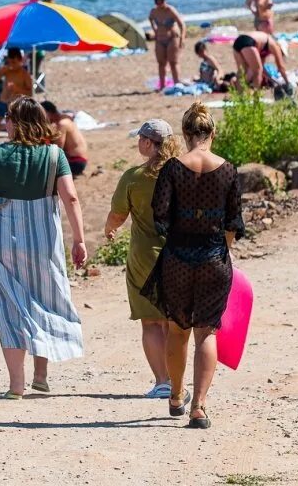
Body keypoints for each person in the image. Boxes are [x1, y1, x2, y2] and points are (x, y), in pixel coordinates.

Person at [0, 97, 87, 399]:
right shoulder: (54, 155)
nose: (6, 123)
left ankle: (15, 387)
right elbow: (71, 198)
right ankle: (41, 375)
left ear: (16, 122)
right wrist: (79, 239)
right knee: (46, 301)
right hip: (43, 241)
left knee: (10, 307)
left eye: (9, 118)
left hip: (4, 240)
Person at [141, 102, 244, 429]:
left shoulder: (173, 169)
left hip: (178, 259)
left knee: (177, 330)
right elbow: (233, 222)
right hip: (214, 258)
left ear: (185, 134)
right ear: (212, 133)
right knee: (207, 333)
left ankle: (175, 394)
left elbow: (160, 216)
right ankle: (198, 407)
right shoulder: (228, 169)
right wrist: (222, 251)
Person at [105, 119, 181, 398]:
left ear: (148, 143)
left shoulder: (134, 177)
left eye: (140, 139)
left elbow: (117, 215)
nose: (138, 143)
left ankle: (162, 381)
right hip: (179, 255)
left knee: (150, 322)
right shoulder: (182, 173)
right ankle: (178, 382)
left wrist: (109, 229)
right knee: (172, 322)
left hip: (144, 256)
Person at [0, 49, 34, 148]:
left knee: (15, 131)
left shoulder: (24, 74)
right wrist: (0, 72)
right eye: (9, 62)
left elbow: (30, 93)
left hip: (16, 105)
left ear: (20, 60)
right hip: (3, 102)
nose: (12, 65)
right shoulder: (6, 70)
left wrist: (16, 88)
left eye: (14, 62)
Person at [231, 31, 292, 95]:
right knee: (257, 71)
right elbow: (280, 66)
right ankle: (256, 97)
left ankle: (239, 96)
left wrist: (272, 80)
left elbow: (263, 68)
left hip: (238, 41)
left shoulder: (264, 47)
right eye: (281, 53)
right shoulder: (275, 45)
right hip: (248, 41)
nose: (280, 54)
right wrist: (288, 83)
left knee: (242, 71)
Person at [41, 101, 89, 177]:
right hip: (79, 160)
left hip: (76, 162)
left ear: (48, 113)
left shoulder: (62, 123)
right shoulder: (64, 120)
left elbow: (57, 148)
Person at [149, 0, 185, 90]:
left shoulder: (170, 10)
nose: (162, 4)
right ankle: (162, 85)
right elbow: (151, 19)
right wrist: (155, 30)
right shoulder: (154, 11)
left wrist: (182, 38)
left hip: (172, 38)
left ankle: (176, 83)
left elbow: (182, 24)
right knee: (161, 63)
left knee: (173, 62)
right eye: (159, 2)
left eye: (163, 1)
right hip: (160, 39)